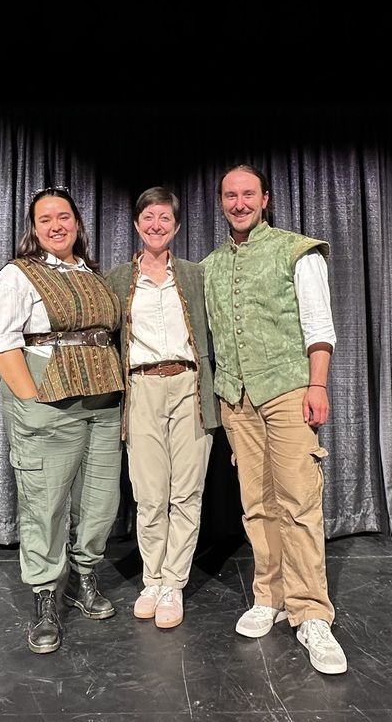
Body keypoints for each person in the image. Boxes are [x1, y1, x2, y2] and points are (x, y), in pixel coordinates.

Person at [201, 163, 347, 675]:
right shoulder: (213, 264)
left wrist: (318, 384)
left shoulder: (296, 250)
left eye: (248, 194)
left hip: (287, 390)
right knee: (256, 505)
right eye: (229, 195)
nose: (238, 203)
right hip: (236, 398)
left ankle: (311, 612)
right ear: (221, 201)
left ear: (265, 198)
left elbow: (319, 323)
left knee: (299, 502)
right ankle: (270, 595)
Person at [0, 186, 125, 655]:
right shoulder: (18, 275)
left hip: (102, 400)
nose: (57, 225)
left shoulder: (92, 274)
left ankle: (83, 581)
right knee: (45, 503)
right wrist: (31, 398)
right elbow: (2, 342)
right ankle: (45, 594)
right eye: (46, 219)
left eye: (64, 216)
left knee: (100, 502)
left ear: (78, 223)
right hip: (47, 397)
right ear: (34, 228)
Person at [106, 187, 219, 629]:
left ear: (176, 226)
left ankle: (174, 582)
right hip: (141, 387)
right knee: (149, 493)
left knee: (186, 492)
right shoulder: (117, 279)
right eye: (148, 217)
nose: (156, 225)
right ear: (137, 224)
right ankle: (151, 579)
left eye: (164, 218)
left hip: (190, 384)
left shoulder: (194, 274)